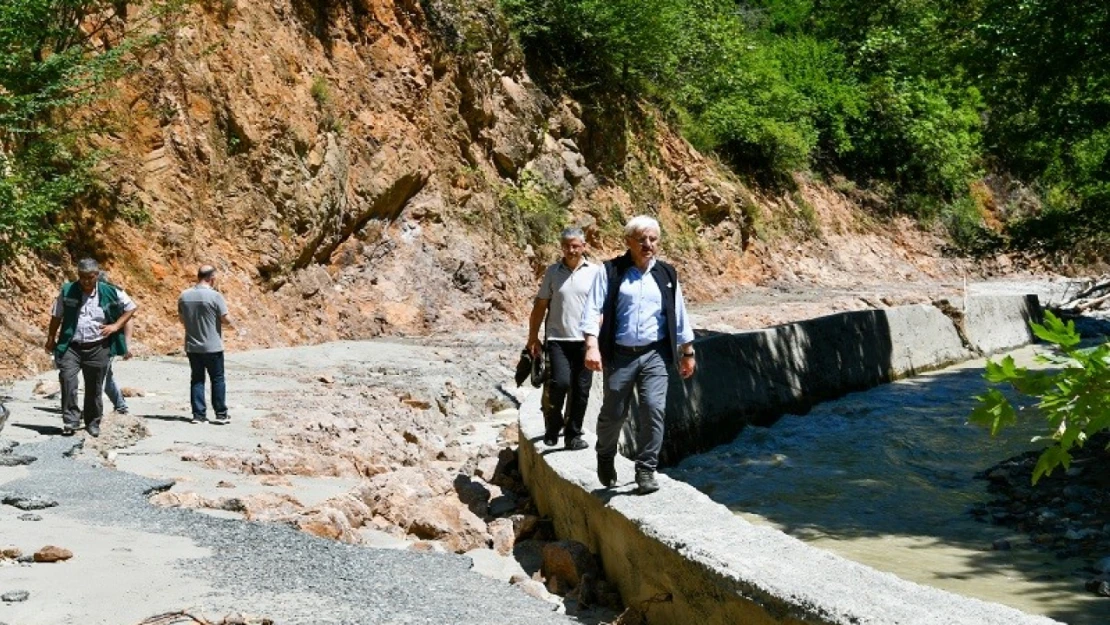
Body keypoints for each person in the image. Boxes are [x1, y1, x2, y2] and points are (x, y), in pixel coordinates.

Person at [581, 215, 697, 495]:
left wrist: (687, 351)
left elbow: (678, 314)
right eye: (642, 239)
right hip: (620, 354)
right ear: (628, 242)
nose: (648, 245)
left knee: (654, 409)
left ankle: (646, 469)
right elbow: (592, 310)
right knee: (614, 413)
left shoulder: (667, 274)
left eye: (653, 239)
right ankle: (605, 454)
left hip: (655, 353)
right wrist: (591, 346)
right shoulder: (610, 271)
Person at [526, 227, 602, 450]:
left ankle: (573, 435)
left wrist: (597, 340)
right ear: (562, 247)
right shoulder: (552, 272)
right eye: (567, 245)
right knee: (559, 383)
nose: (571, 249)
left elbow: (602, 309)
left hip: (586, 341)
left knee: (581, 390)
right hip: (558, 339)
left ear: (584, 247)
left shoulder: (595, 272)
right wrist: (533, 337)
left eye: (576, 245)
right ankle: (553, 424)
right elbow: (540, 306)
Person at [45, 258, 138, 437]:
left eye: (90, 277)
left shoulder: (111, 291)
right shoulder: (67, 291)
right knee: (67, 380)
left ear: (97, 275)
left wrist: (115, 326)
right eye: (82, 277)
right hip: (71, 346)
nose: (86, 281)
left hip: (98, 347)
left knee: (94, 387)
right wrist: (51, 338)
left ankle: (93, 422)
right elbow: (56, 316)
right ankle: (71, 420)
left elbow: (131, 308)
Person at [177, 264, 240, 424]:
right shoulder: (215, 296)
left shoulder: (184, 296)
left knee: (197, 379)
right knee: (217, 379)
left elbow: (182, 319)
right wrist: (235, 326)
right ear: (211, 278)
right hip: (213, 346)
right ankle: (220, 414)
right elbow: (225, 318)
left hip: (192, 345)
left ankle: (198, 415)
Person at [100, 272, 133, 415]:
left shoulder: (115, 294)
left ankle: (117, 406)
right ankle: (120, 405)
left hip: (109, 342)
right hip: (90, 342)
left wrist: (126, 345)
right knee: (105, 376)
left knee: (102, 375)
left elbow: (128, 317)